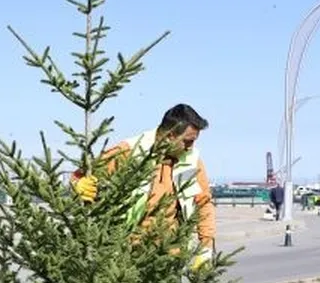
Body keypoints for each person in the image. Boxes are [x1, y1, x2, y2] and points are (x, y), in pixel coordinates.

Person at [70, 103, 216, 269]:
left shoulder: (191, 161)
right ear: (170, 135)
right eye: (187, 141)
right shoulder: (130, 151)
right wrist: (78, 184)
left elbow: (203, 202)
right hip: (127, 256)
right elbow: (82, 174)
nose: (191, 147)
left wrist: (205, 249)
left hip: (169, 255)